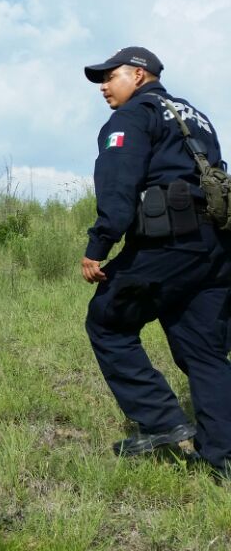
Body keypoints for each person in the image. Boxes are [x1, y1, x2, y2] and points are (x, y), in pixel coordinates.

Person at [80, 46, 231, 479]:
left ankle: (161, 420)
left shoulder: (131, 118)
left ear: (140, 75)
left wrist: (99, 244)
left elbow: (118, 183)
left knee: (107, 320)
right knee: (203, 351)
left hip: (168, 243)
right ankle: (222, 458)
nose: (104, 87)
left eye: (111, 77)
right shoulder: (196, 116)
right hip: (217, 248)